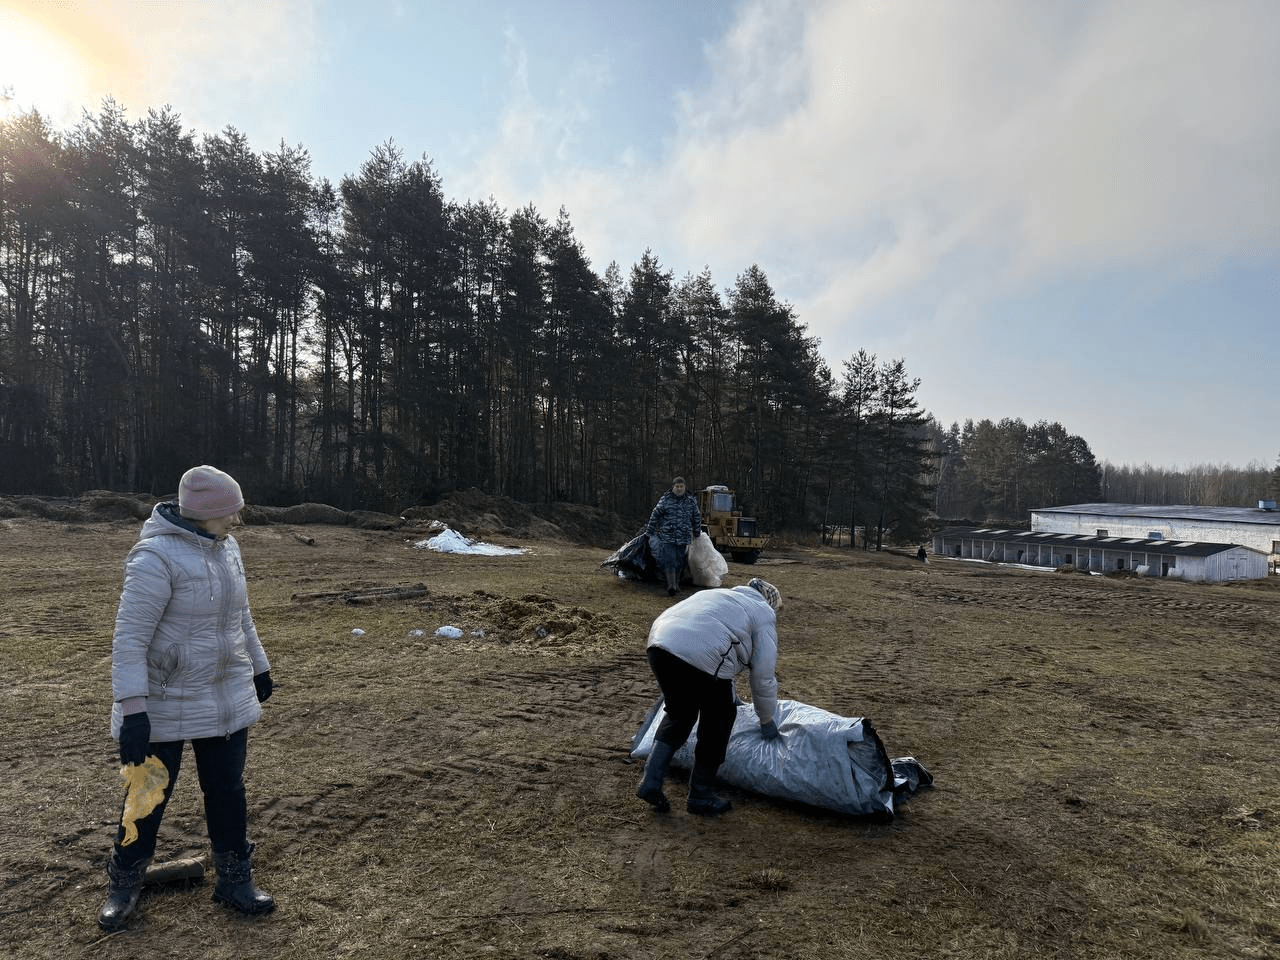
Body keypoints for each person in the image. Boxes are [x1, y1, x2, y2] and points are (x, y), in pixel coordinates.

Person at [98, 465, 276, 931]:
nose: (237, 520)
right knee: (148, 792)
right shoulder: (154, 557)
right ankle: (125, 881)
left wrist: (259, 666)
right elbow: (130, 639)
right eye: (231, 511)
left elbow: (241, 616)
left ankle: (234, 879)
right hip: (163, 699)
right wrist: (133, 710)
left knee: (227, 790)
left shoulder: (227, 547)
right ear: (206, 512)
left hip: (224, 694)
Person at [635, 577, 782, 815]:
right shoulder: (763, 612)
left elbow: (722, 652)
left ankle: (650, 781)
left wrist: (730, 695)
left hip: (660, 644)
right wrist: (766, 720)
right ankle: (700, 795)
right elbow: (763, 676)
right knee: (718, 720)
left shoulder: (720, 596)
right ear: (769, 602)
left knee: (680, 714)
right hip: (699, 653)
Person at [645, 477, 702, 596]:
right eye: (677, 486)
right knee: (669, 559)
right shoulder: (666, 499)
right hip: (668, 536)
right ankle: (671, 586)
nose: (679, 489)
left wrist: (697, 532)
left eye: (681, 486)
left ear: (685, 487)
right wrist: (649, 531)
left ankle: (676, 583)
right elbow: (655, 514)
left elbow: (696, 516)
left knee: (680, 560)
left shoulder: (691, 501)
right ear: (673, 487)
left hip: (684, 536)